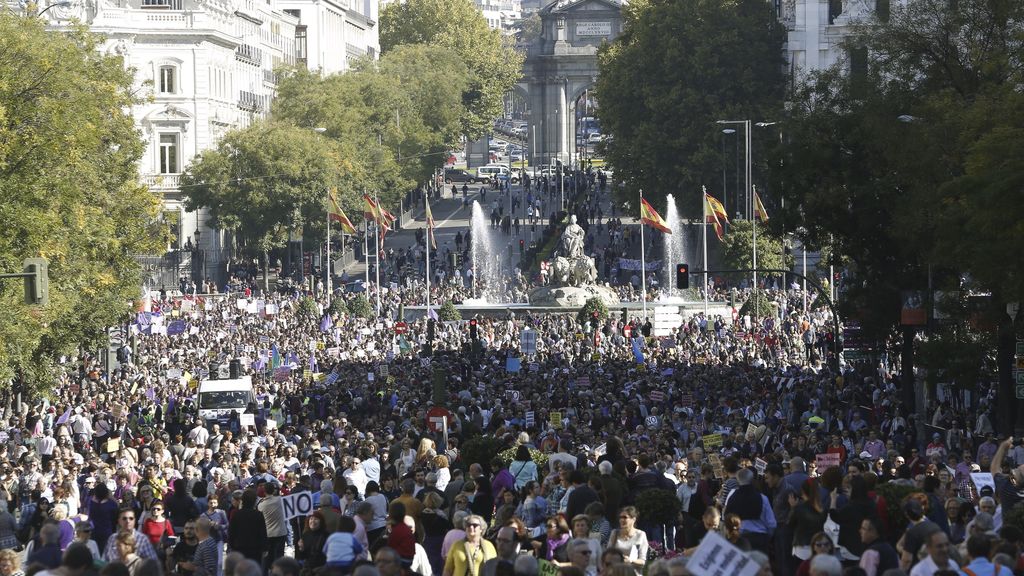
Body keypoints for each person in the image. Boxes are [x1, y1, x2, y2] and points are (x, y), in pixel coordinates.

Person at [228, 489, 267, 564]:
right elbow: (263, 533)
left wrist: (232, 545)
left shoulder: (236, 514)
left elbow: (231, 532)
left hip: (239, 548)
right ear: (254, 501)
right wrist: (265, 548)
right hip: (255, 549)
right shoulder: (258, 515)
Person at [606, 507, 647, 575]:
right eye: (620, 517)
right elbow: (608, 554)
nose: (622, 520)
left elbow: (642, 562)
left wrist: (630, 560)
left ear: (633, 519)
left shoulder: (641, 535)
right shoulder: (615, 533)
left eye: (625, 517)